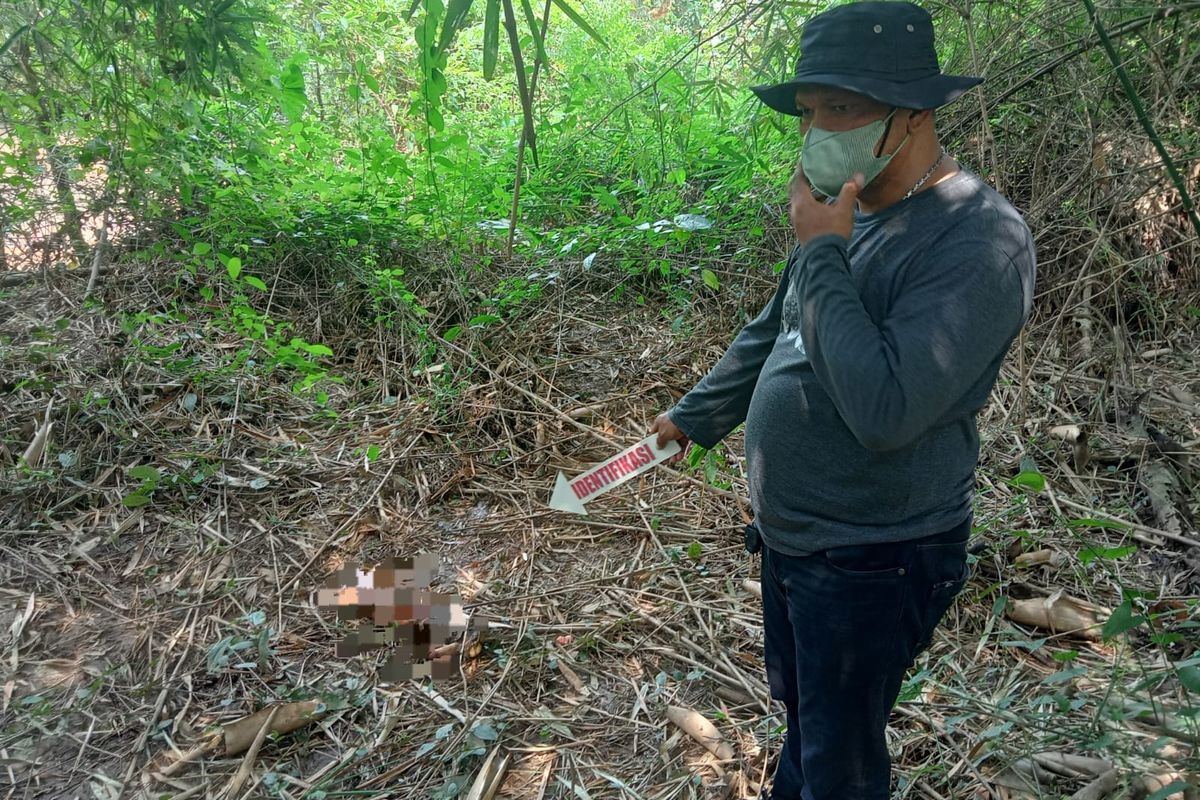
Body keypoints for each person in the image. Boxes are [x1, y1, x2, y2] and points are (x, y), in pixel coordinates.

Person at [648, 3, 1036, 798]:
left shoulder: (979, 239)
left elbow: (887, 411)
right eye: (809, 112)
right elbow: (779, 327)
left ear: (914, 113)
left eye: (842, 109)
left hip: (875, 555)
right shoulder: (855, 207)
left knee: (841, 753)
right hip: (797, 537)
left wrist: (823, 248)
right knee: (814, 721)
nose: (817, 130)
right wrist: (695, 416)